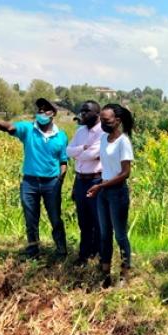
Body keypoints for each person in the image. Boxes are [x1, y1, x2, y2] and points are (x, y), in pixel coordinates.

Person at [0, 98, 68, 258]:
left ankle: (61, 250)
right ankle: (33, 250)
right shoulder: (28, 129)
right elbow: (10, 127)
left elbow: (63, 161)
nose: (42, 113)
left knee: (55, 218)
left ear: (54, 114)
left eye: (46, 110)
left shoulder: (61, 136)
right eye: (40, 110)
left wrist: (60, 180)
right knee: (31, 219)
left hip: (52, 183)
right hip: (30, 182)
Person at [87, 104, 134, 288]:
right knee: (105, 234)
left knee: (120, 235)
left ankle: (124, 274)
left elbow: (124, 173)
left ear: (117, 121)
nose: (103, 123)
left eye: (106, 121)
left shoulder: (124, 142)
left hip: (117, 192)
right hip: (104, 191)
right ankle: (105, 274)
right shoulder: (104, 139)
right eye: (102, 120)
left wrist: (101, 185)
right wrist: (101, 186)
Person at [67, 100, 103, 265]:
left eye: (87, 111)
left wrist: (79, 152)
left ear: (97, 113)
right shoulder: (80, 131)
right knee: (84, 221)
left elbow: (93, 154)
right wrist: (83, 149)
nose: (83, 114)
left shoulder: (103, 132)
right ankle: (84, 254)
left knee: (98, 220)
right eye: (82, 111)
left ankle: (100, 255)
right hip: (80, 180)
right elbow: (68, 151)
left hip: (96, 179)